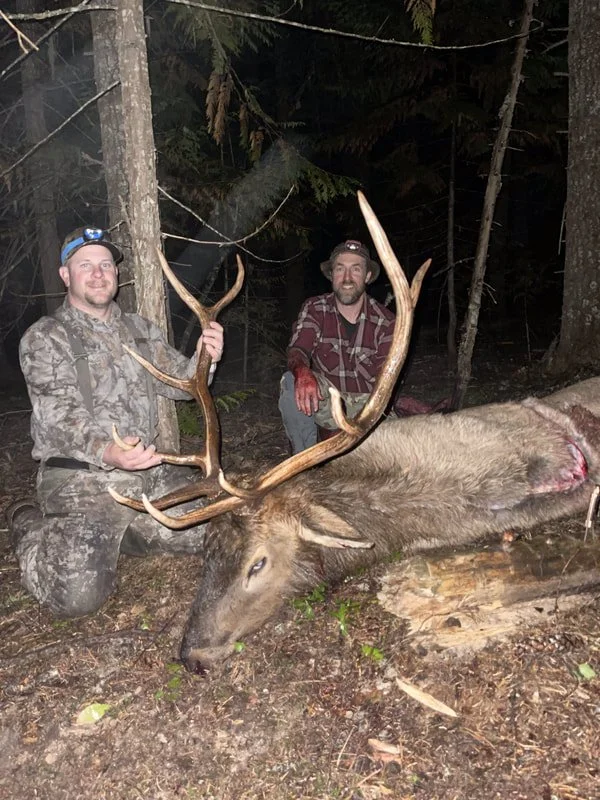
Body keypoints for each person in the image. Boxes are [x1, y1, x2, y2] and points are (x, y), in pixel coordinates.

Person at [6, 226, 224, 618]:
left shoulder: (140, 331)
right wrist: (110, 452)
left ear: (116, 274)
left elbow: (182, 385)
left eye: (105, 264)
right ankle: (27, 525)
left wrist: (206, 359)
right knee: (76, 600)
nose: (98, 273)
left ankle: (125, 534)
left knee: (218, 532)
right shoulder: (45, 337)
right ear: (65, 276)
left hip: (147, 475)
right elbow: (59, 417)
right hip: (81, 480)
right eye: (84, 265)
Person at [279, 239, 446, 454]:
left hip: (370, 404)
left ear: (367, 276)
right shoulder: (315, 308)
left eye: (355, 269)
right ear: (332, 275)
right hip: (327, 401)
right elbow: (298, 349)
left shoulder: (388, 323)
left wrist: (378, 415)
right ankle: (302, 460)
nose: (347, 278)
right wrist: (302, 370)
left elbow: (385, 384)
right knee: (292, 381)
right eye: (340, 269)